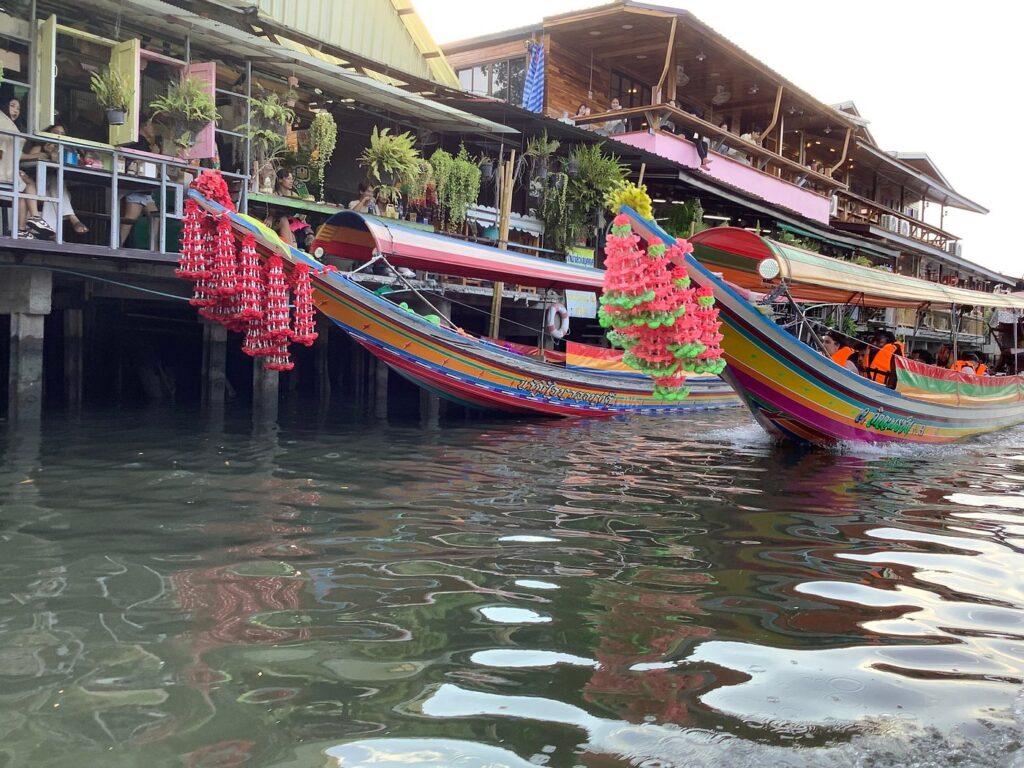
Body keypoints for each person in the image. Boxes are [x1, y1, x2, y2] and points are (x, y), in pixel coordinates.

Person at [20, 123, 89, 235]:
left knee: (54, 189)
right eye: (55, 133)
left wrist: (54, 154)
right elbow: (29, 163)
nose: (59, 136)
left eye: (62, 134)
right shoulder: (39, 146)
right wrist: (46, 152)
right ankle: (72, 218)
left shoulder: (65, 151)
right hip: (35, 184)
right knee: (56, 184)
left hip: (50, 189)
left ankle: (49, 231)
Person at [119, 116, 163, 245]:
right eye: (150, 125)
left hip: (145, 190)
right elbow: (140, 162)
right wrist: (155, 154)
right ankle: (117, 244)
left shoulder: (141, 143)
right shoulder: (140, 142)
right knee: (130, 219)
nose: (153, 128)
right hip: (138, 187)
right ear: (143, 126)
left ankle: (153, 247)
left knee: (155, 216)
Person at [666, 100, 712, 171]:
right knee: (698, 141)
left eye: (696, 116)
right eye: (693, 115)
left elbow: (699, 134)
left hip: (689, 137)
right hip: (681, 135)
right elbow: (678, 127)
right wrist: (679, 135)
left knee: (704, 143)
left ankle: (703, 162)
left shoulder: (695, 122)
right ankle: (704, 159)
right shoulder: (683, 117)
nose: (694, 116)